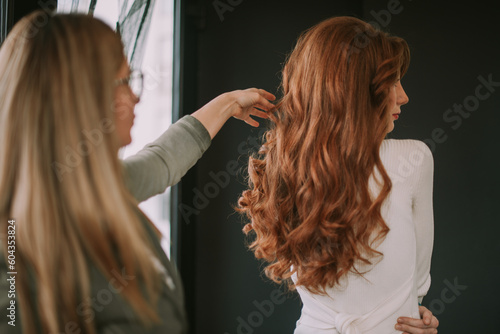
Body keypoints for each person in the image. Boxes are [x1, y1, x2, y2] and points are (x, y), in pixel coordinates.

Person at [0, 11, 275, 334]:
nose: (135, 95)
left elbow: (161, 161)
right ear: (79, 98)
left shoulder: (100, 187)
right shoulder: (12, 254)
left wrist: (229, 103)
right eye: (123, 82)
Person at [238, 16, 439, 333]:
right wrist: (410, 308)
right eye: (392, 83)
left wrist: (413, 308)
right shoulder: (412, 158)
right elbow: (416, 280)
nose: (403, 97)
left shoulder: (287, 166)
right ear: (358, 91)